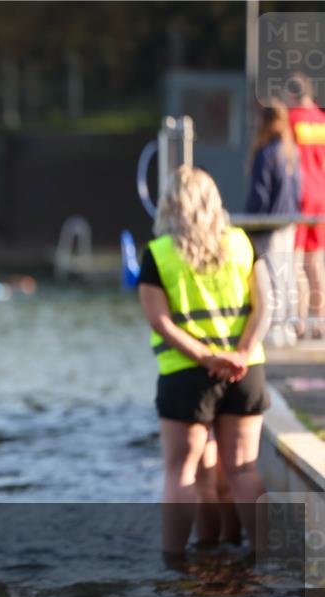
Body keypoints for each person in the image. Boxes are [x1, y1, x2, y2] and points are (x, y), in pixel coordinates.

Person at [137, 166, 270, 560]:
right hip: (245, 373)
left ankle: (174, 562)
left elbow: (159, 321)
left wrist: (207, 357)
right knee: (244, 469)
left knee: (183, 471)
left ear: (169, 206)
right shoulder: (242, 243)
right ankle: (268, 559)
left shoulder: (159, 254)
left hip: (186, 375)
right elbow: (266, 306)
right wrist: (241, 354)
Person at [246, 101, 302, 344]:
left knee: (270, 277)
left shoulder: (267, 153)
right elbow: (298, 190)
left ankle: (273, 331)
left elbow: (260, 194)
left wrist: (249, 221)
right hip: (289, 223)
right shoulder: (292, 152)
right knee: (286, 275)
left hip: (269, 226)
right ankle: (287, 329)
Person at [287, 75, 325, 338]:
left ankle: (300, 323)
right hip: (322, 195)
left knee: (297, 262)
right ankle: (320, 322)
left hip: (301, 197)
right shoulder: (321, 121)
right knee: (317, 263)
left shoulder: (291, 120)